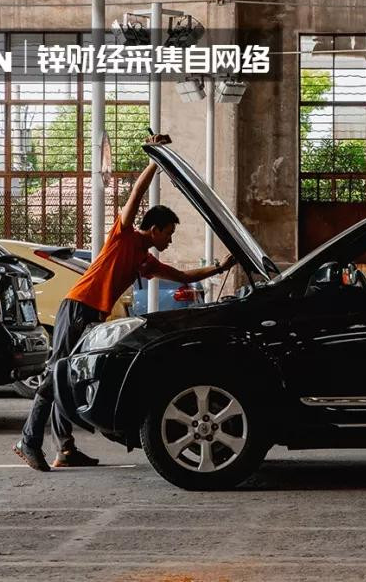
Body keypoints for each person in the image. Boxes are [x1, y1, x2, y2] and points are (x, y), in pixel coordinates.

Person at [13, 134, 238, 472]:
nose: (171, 239)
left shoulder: (145, 259)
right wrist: (154, 162)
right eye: (169, 232)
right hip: (78, 307)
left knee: (66, 377)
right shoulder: (124, 236)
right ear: (155, 229)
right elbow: (135, 195)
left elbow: (182, 276)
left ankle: (66, 449)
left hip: (91, 312)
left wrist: (220, 267)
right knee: (53, 378)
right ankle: (27, 441)